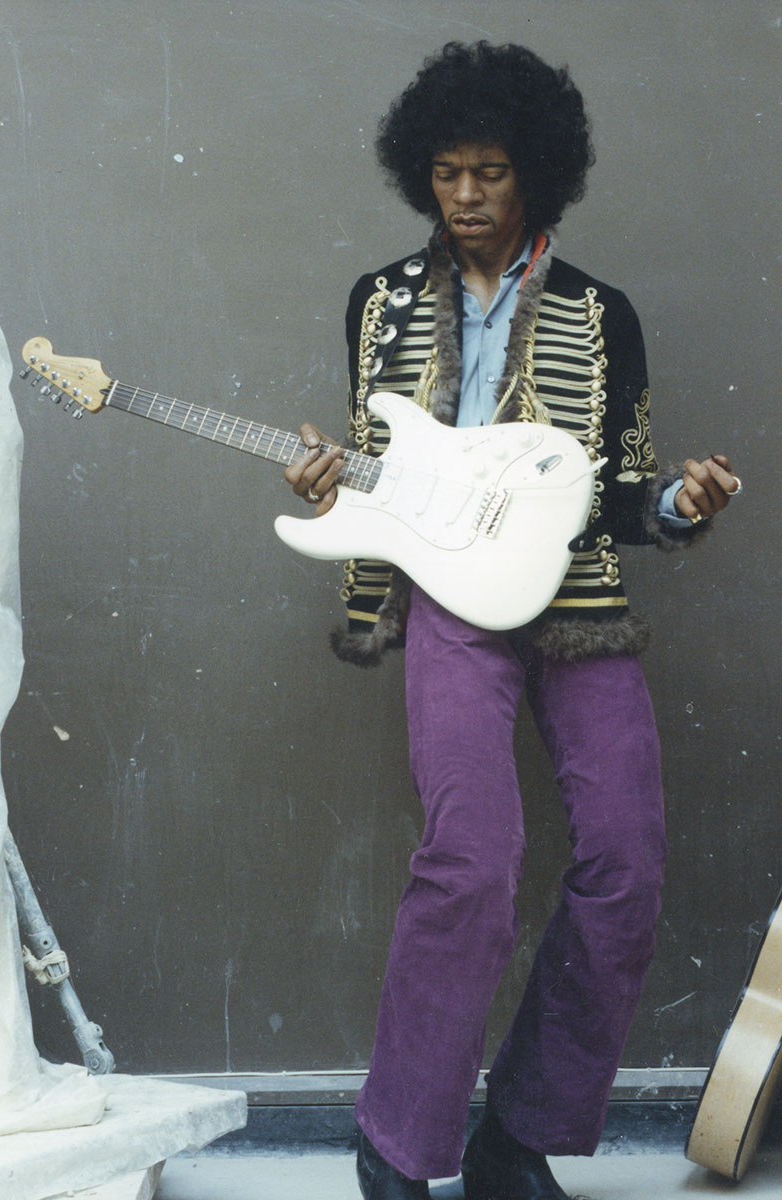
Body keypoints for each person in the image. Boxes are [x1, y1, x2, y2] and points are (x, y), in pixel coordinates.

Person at [285, 42, 740, 1200]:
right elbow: (381, 481)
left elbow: (624, 495)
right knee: (470, 862)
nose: (468, 196)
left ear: (534, 173)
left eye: (489, 171)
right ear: (420, 178)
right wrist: (332, 488)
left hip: (579, 606)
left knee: (626, 862)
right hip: (449, 606)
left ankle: (515, 1136)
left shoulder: (602, 315)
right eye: (446, 173)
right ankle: (396, 1146)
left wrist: (678, 506)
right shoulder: (378, 306)